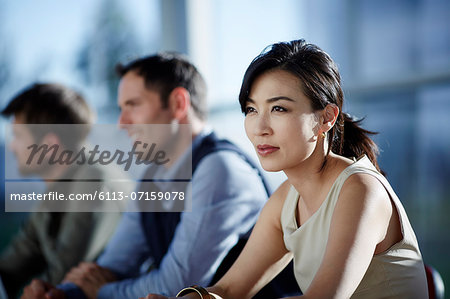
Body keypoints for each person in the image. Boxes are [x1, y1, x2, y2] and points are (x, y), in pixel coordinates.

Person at [145, 40, 429, 299]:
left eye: (278, 109)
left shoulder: (360, 191)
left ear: (326, 118)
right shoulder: (286, 198)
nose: (260, 128)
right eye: (251, 110)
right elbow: (230, 289)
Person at [21, 53, 299, 299]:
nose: (122, 123)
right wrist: (63, 293)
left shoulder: (220, 170)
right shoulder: (153, 177)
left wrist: (101, 293)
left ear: (178, 103)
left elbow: (177, 286)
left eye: (133, 105)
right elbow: (114, 264)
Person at [0, 83, 127, 298]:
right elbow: (13, 265)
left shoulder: (95, 183)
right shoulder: (54, 194)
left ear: (49, 145)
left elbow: (62, 283)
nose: (12, 147)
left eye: (18, 136)